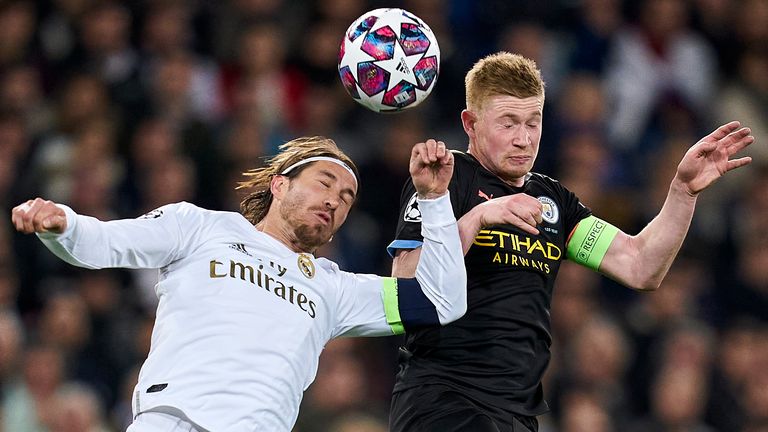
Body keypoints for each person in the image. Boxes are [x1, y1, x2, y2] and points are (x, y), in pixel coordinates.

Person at [386, 52, 756, 432]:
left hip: (517, 411)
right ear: (471, 123)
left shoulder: (553, 201)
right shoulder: (446, 178)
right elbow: (407, 289)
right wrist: (478, 217)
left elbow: (639, 265)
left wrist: (683, 191)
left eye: (533, 122)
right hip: (443, 401)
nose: (523, 139)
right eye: (508, 123)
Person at [11, 136, 474, 432]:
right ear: (278, 184)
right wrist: (63, 224)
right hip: (170, 422)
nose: (334, 200)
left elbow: (441, 302)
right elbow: (105, 243)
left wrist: (434, 200)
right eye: (324, 183)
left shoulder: (334, 290)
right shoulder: (201, 228)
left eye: (346, 198)